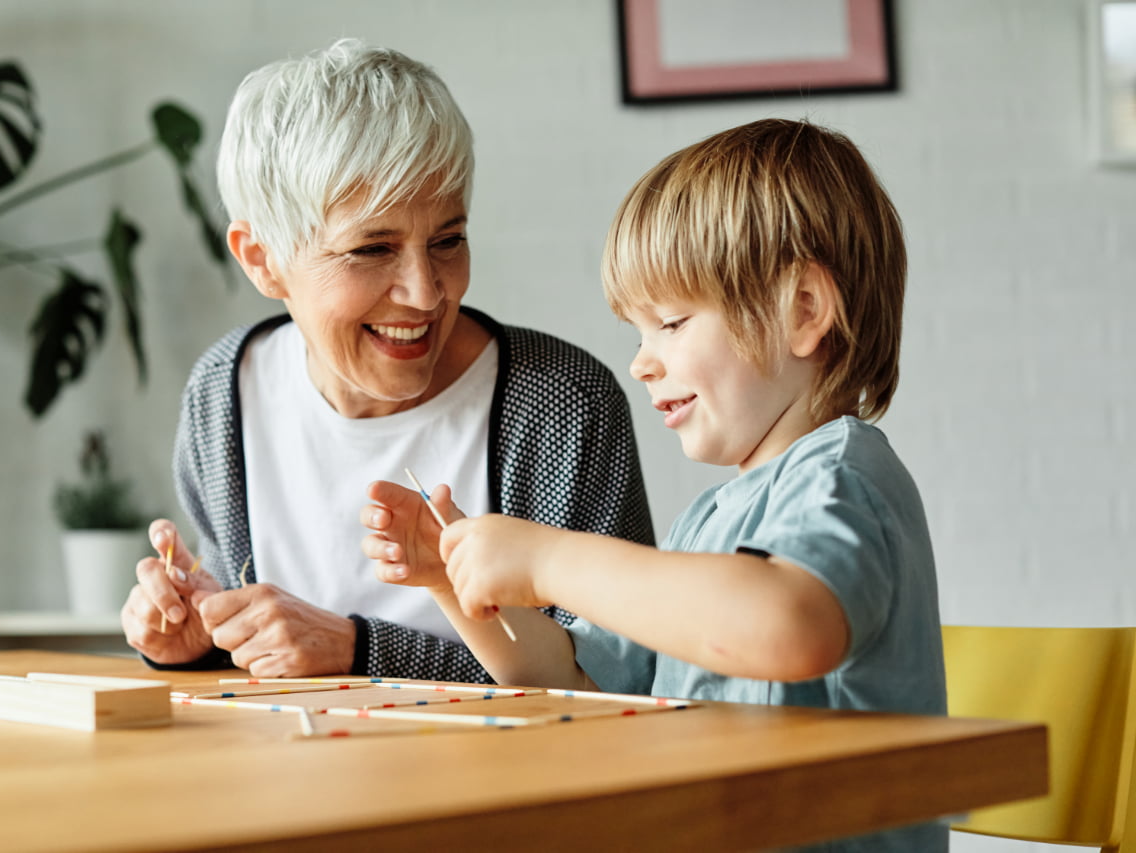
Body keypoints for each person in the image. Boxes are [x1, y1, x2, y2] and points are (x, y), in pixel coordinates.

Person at [362, 118, 946, 852]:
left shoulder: (842, 478)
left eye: (669, 322)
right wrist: (454, 582)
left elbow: (786, 624)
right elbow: (578, 679)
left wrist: (547, 560)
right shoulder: (707, 523)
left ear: (803, 311)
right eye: (638, 333)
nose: (642, 362)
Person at [120, 38, 654, 682]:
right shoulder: (222, 392)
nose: (427, 292)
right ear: (262, 260)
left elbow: (616, 678)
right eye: (372, 249)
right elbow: (261, 652)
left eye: (448, 240)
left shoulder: (561, 402)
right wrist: (197, 634)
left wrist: (360, 650)